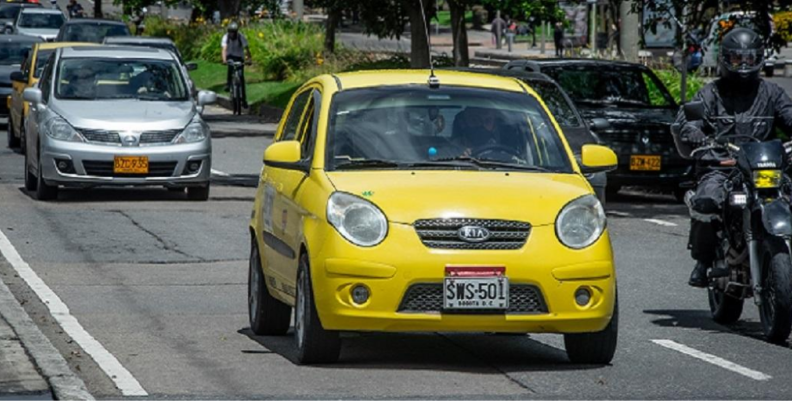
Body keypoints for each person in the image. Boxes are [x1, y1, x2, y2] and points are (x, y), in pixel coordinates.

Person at [675, 28, 792, 288]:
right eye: (737, 59)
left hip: (762, 167)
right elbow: (689, 120)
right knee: (707, 200)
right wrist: (695, 133)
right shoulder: (711, 93)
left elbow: (788, 113)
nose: (743, 65)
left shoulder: (772, 93)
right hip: (721, 165)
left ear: (759, 59)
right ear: (726, 60)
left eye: (749, 59)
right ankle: (704, 260)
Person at [221, 22, 252, 109]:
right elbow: (224, 49)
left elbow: (246, 49)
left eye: (234, 32)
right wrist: (224, 60)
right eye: (231, 32)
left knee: (241, 77)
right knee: (230, 68)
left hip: (239, 57)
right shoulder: (226, 37)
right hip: (230, 56)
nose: (232, 34)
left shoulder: (240, 37)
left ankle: (244, 100)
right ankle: (228, 84)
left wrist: (249, 59)